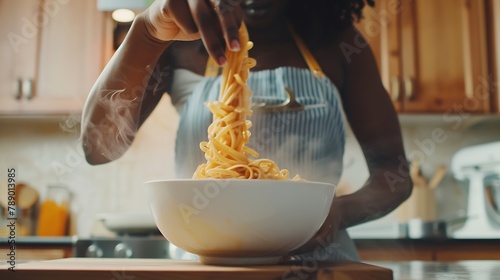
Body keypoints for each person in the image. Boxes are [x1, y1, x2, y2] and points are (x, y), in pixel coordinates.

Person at [81, 0, 413, 261]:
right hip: (204, 264)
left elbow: (394, 175)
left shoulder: (337, 42)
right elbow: (99, 148)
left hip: (319, 263)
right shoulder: (177, 44)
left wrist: (336, 213)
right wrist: (148, 32)